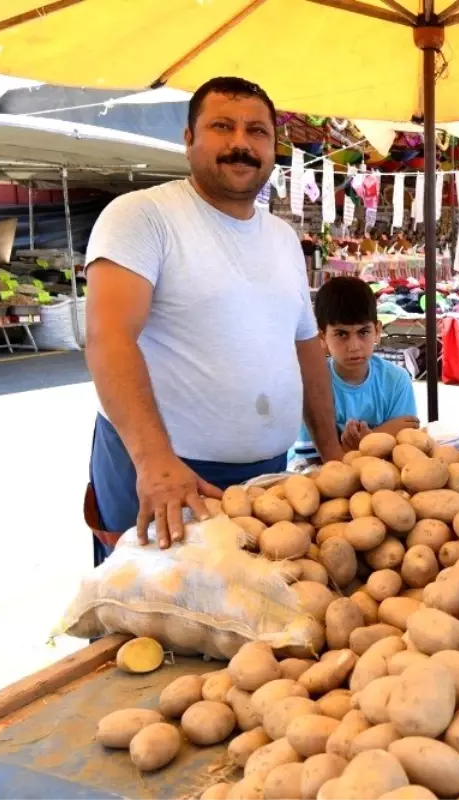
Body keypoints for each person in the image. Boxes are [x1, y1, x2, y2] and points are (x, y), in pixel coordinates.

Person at [85, 76, 343, 562]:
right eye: (222, 127)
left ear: (273, 146)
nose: (241, 144)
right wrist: (155, 461)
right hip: (166, 473)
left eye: (257, 131)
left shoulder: (284, 238)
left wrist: (331, 452)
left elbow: (306, 347)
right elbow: (108, 338)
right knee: (156, 624)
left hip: (269, 474)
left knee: (247, 625)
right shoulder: (142, 215)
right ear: (189, 140)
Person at [288, 276, 419, 465]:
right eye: (342, 334)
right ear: (322, 337)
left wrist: (361, 443)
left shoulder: (397, 381)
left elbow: (406, 446)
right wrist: (376, 438)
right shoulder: (312, 384)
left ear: (377, 331)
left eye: (363, 332)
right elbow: (313, 461)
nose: (354, 346)